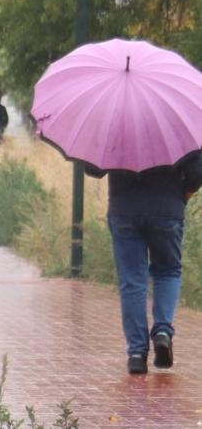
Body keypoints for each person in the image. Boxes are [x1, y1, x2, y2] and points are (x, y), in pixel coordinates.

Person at [86, 152, 202, 374]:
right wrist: (183, 195)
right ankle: (162, 331)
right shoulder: (175, 121)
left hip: (124, 210)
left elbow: (93, 168)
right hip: (167, 209)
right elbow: (198, 171)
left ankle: (137, 354)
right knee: (168, 271)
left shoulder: (115, 123)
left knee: (132, 281)